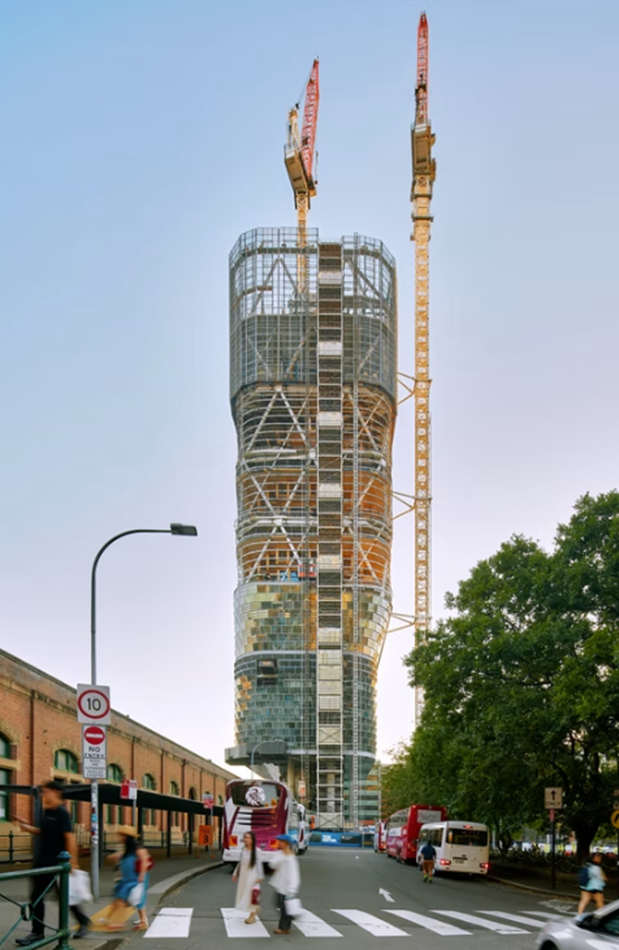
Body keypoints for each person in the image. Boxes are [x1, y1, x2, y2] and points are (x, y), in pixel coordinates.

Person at [15, 781, 91, 945]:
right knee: (37, 897)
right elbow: (45, 833)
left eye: (45, 791)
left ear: (55, 792)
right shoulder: (47, 811)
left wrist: (72, 863)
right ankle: (38, 932)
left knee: (64, 897)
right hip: (43, 862)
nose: (42, 795)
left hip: (57, 864)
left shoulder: (61, 813)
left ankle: (81, 922)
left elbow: (69, 837)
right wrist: (28, 827)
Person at [105, 826, 151, 931]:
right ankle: (142, 921)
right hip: (128, 878)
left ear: (127, 837)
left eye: (122, 835)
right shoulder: (127, 849)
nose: (119, 837)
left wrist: (141, 876)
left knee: (128, 899)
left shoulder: (138, 848)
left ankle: (118, 922)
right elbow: (118, 859)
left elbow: (144, 860)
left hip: (135, 878)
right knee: (127, 898)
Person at [268, 834, 300, 935]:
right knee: (278, 904)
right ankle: (291, 914)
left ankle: (284, 928)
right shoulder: (280, 854)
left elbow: (294, 874)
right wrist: (281, 858)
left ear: (286, 843)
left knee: (284, 908)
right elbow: (272, 864)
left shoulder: (291, 857)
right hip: (279, 885)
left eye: (281, 841)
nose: (279, 843)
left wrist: (292, 888)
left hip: (287, 887)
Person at [232, 832, 264, 924]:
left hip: (252, 875)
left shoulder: (257, 851)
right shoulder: (244, 850)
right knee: (244, 894)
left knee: (252, 895)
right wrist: (235, 873)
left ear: (253, 839)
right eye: (245, 837)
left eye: (249, 838)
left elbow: (259, 864)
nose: (246, 839)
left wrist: (259, 876)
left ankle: (252, 916)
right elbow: (240, 862)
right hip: (243, 875)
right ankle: (254, 910)